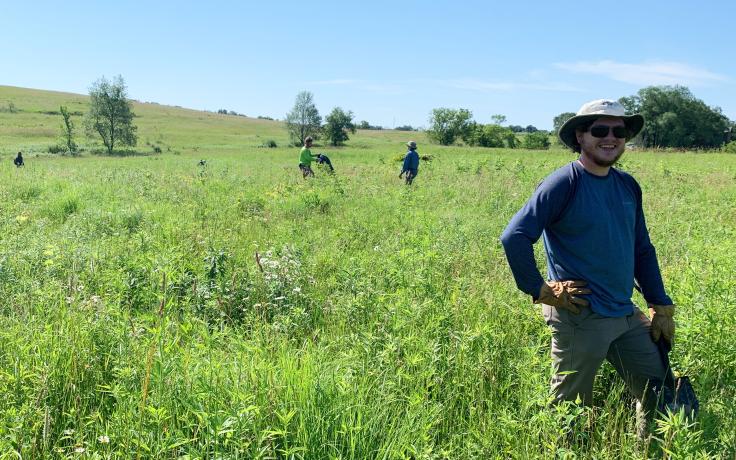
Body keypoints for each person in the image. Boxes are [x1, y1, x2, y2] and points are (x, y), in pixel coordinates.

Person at [500, 99, 676, 435]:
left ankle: (648, 447)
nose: (610, 137)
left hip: (624, 312)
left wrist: (659, 303)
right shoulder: (564, 182)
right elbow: (514, 237)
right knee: (570, 411)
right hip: (581, 315)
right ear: (580, 136)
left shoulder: (627, 185)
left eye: (619, 131)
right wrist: (540, 290)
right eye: (600, 130)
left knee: (659, 389)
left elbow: (642, 248)